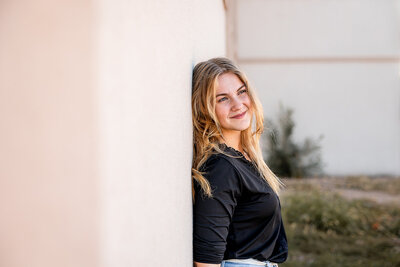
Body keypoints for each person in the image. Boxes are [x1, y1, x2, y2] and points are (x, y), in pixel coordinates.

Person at [191, 57, 288, 267]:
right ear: (205, 108)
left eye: (241, 92)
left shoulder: (242, 157)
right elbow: (207, 260)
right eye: (223, 99)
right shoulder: (221, 168)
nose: (238, 104)